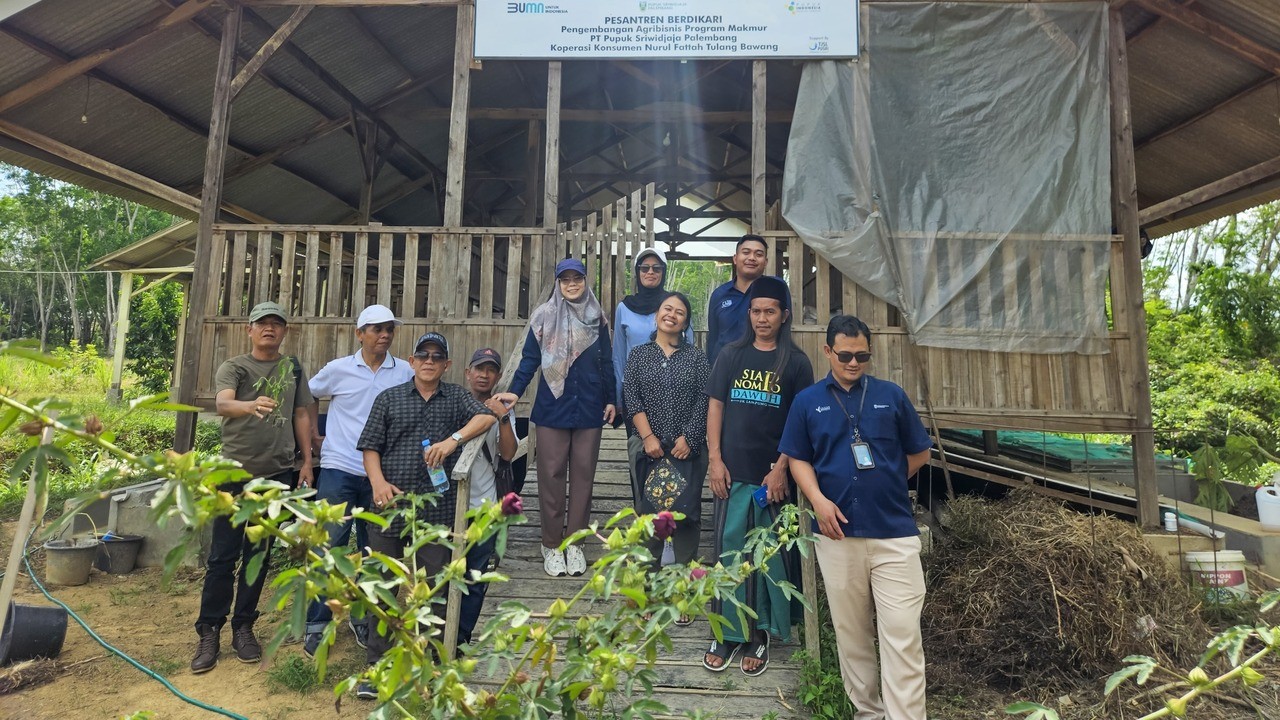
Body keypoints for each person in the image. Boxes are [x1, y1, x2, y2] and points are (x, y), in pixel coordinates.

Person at [779, 315, 933, 720]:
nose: (853, 363)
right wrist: (817, 500)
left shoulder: (891, 396)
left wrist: (889, 480)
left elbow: (920, 452)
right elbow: (797, 458)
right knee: (852, 636)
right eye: (845, 355)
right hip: (837, 536)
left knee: (902, 634)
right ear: (827, 351)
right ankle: (868, 713)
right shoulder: (807, 401)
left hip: (894, 534)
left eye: (861, 356)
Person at [355, 331, 497, 700]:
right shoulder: (389, 398)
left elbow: (486, 418)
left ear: (447, 364)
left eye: (437, 357)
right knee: (382, 587)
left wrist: (452, 441)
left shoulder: (456, 397)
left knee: (436, 590)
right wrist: (377, 483)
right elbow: (370, 447)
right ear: (412, 361)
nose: (429, 361)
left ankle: (429, 665)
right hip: (390, 506)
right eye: (423, 356)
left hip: (438, 509)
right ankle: (377, 667)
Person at [192, 301, 315, 673]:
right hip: (233, 475)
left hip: (275, 475)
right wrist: (250, 406)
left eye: (276, 323)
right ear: (250, 330)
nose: (269, 329)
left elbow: (301, 413)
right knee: (222, 556)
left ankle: (243, 626)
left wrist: (306, 461)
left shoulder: (292, 368)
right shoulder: (235, 367)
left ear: (284, 331)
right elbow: (223, 404)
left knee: (257, 555)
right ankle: (209, 630)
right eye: (262, 323)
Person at [703, 276, 812, 677]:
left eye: (770, 311)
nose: (762, 318)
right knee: (729, 551)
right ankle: (726, 632)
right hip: (731, 474)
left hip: (771, 480)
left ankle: (759, 634)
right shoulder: (731, 354)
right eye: (756, 311)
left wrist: (781, 468)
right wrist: (715, 460)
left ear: (784, 315)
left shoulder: (796, 363)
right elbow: (715, 408)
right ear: (748, 314)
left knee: (766, 558)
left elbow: (800, 422)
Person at [301, 304, 414, 658]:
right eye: (377, 329)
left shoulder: (405, 371)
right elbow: (307, 395)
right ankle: (318, 622)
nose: (385, 335)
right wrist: (314, 437)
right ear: (359, 334)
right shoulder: (338, 369)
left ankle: (363, 618)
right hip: (339, 467)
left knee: (374, 551)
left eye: (389, 329)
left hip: (381, 474)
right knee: (329, 545)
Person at [494, 258, 616, 578]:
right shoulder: (544, 316)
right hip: (552, 407)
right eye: (566, 280)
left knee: (584, 476)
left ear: (585, 281)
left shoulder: (597, 317)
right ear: (558, 284)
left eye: (577, 278)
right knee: (551, 474)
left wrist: (611, 399)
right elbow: (529, 360)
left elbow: (606, 362)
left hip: (589, 407)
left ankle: (575, 543)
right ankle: (550, 544)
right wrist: (515, 392)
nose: (572, 284)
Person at [612, 248, 693, 565]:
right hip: (638, 406)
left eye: (656, 267)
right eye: (644, 267)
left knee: (676, 474)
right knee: (644, 471)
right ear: (637, 272)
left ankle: (672, 540)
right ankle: (647, 539)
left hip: (675, 405)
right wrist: (621, 400)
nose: (650, 272)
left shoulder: (674, 306)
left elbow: (690, 354)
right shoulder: (624, 308)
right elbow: (619, 356)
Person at [622, 291, 710, 579]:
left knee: (686, 515)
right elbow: (631, 397)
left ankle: (683, 585)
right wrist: (648, 437)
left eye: (679, 312)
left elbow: (705, 398)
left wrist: (690, 438)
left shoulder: (696, 357)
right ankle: (646, 585)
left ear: (685, 322)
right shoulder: (639, 354)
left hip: (687, 448)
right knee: (648, 515)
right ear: (657, 315)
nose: (672, 315)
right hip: (649, 448)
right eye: (667, 309)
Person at [458, 347, 519, 644]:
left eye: (491, 370)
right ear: (467, 372)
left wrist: (502, 417)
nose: (484, 375)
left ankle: (462, 638)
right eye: (479, 369)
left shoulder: (504, 408)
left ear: (497, 376)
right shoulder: (452, 401)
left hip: (484, 504)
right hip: (450, 505)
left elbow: (508, 453)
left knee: (476, 576)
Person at [705, 234, 768, 365]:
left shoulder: (774, 290)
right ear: (735, 258)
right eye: (746, 252)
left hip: (762, 368)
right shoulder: (719, 294)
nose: (752, 258)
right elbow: (713, 337)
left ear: (765, 262)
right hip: (725, 367)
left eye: (758, 254)